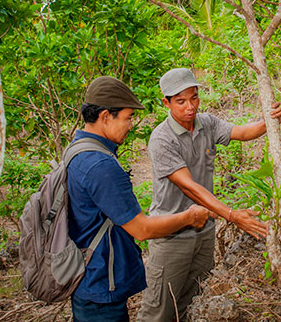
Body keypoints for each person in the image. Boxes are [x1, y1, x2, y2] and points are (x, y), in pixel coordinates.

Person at [137, 68, 281, 322]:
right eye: (180, 101)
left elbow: (242, 132)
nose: (190, 107)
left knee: (194, 301)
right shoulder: (162, 139)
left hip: (204, 232)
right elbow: (188, 186)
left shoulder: (207, 123)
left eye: (193, 98)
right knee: (158, 311)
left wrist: (268, 119)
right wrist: (231, 215)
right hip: (171, 235)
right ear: (166, 103)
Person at [67, 76, 215, 322]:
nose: (131, 125)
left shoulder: (78, 148)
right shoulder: (99, 165)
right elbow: (142, 229)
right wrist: (190, 216)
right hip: (101, 286)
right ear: (105, 116)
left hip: (91, 278)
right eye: (127, 118)